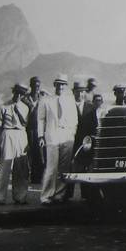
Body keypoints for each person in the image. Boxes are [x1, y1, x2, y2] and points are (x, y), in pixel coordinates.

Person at [36, 74, 79, 205]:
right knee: (51, 167)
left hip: (67, 136)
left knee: (64, 167)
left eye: (63, 84)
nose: (61, 86)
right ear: (54, 85)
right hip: (52, 135)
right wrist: (40, 136)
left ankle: (59, 194)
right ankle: (46, 196)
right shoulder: (45, 100)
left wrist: (71, 133)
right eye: (58, 84)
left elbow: (75, 120)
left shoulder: (70, 101)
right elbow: (41, 119)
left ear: (66, 86)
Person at [0, 82, 30, 205]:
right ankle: (1, 196)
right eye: (17, 93)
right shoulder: (3, 106)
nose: (19, 96)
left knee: (21, 166)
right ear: (13, 92)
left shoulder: (25, 107)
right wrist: (2, 139)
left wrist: (18, 110)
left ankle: (20, 196)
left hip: (21, 134)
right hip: (8, 133)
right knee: (5, 165)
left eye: (22, 94)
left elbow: (24, 123)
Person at [24, 76, 45, 184]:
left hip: (39, 129)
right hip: (28, 129)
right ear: (31, 86)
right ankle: (28, 175)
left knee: (40, 154)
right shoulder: (25, 98)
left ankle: (38, 177)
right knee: (29, 153)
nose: (36, 88)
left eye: (38, 86)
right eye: (34, 85)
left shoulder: (42, 98)